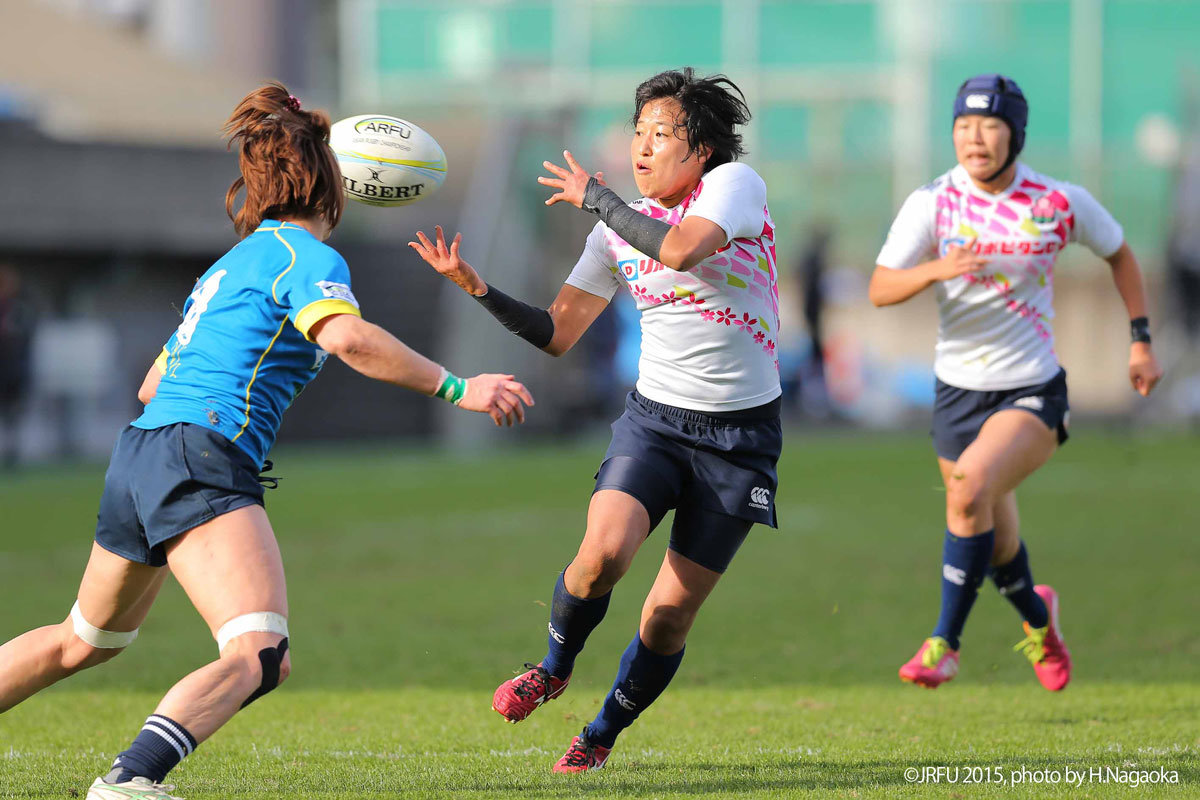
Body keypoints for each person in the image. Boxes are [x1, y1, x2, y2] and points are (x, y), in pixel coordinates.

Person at [0, 83, 533, 800]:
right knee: (261, 651)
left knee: (82, 641)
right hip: (200, 456)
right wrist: (457, 387)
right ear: (330, 183)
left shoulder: (231, 265)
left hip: (142, 454)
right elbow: (347, 337)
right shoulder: (304, 256)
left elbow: (153, 382)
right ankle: (129, 783)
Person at [411, 67, 781, 772]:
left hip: (740, 440)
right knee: (602, 557)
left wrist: (597, 198)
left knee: (668, 616)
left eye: (661, 135)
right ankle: (552, 667)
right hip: (657, 423)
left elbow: (679, 249)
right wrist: (478, 288)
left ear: (701, 150)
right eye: (637, 132)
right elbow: (557, 331)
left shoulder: (734, 188)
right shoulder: (613, 234)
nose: (641, 148)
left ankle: (603, 730)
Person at [868, 74, 1163, 691]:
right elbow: (880, 288)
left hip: (1031, 389)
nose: (974, 139)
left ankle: (944, 643)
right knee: (996, 541)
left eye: (989, 126)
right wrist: (936, 269)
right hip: (955, 396)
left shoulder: (1057, 202)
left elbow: (1120, 254)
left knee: (970, 488)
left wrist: (1140, 338)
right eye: (963, 126)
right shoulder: (933, 203)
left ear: (1016, 134)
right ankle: (1040, 621)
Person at [0, 264, 36, 468]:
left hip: (13, 370)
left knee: (13, 413)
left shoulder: (19, 309)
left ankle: (11, 452)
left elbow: (27, 339)